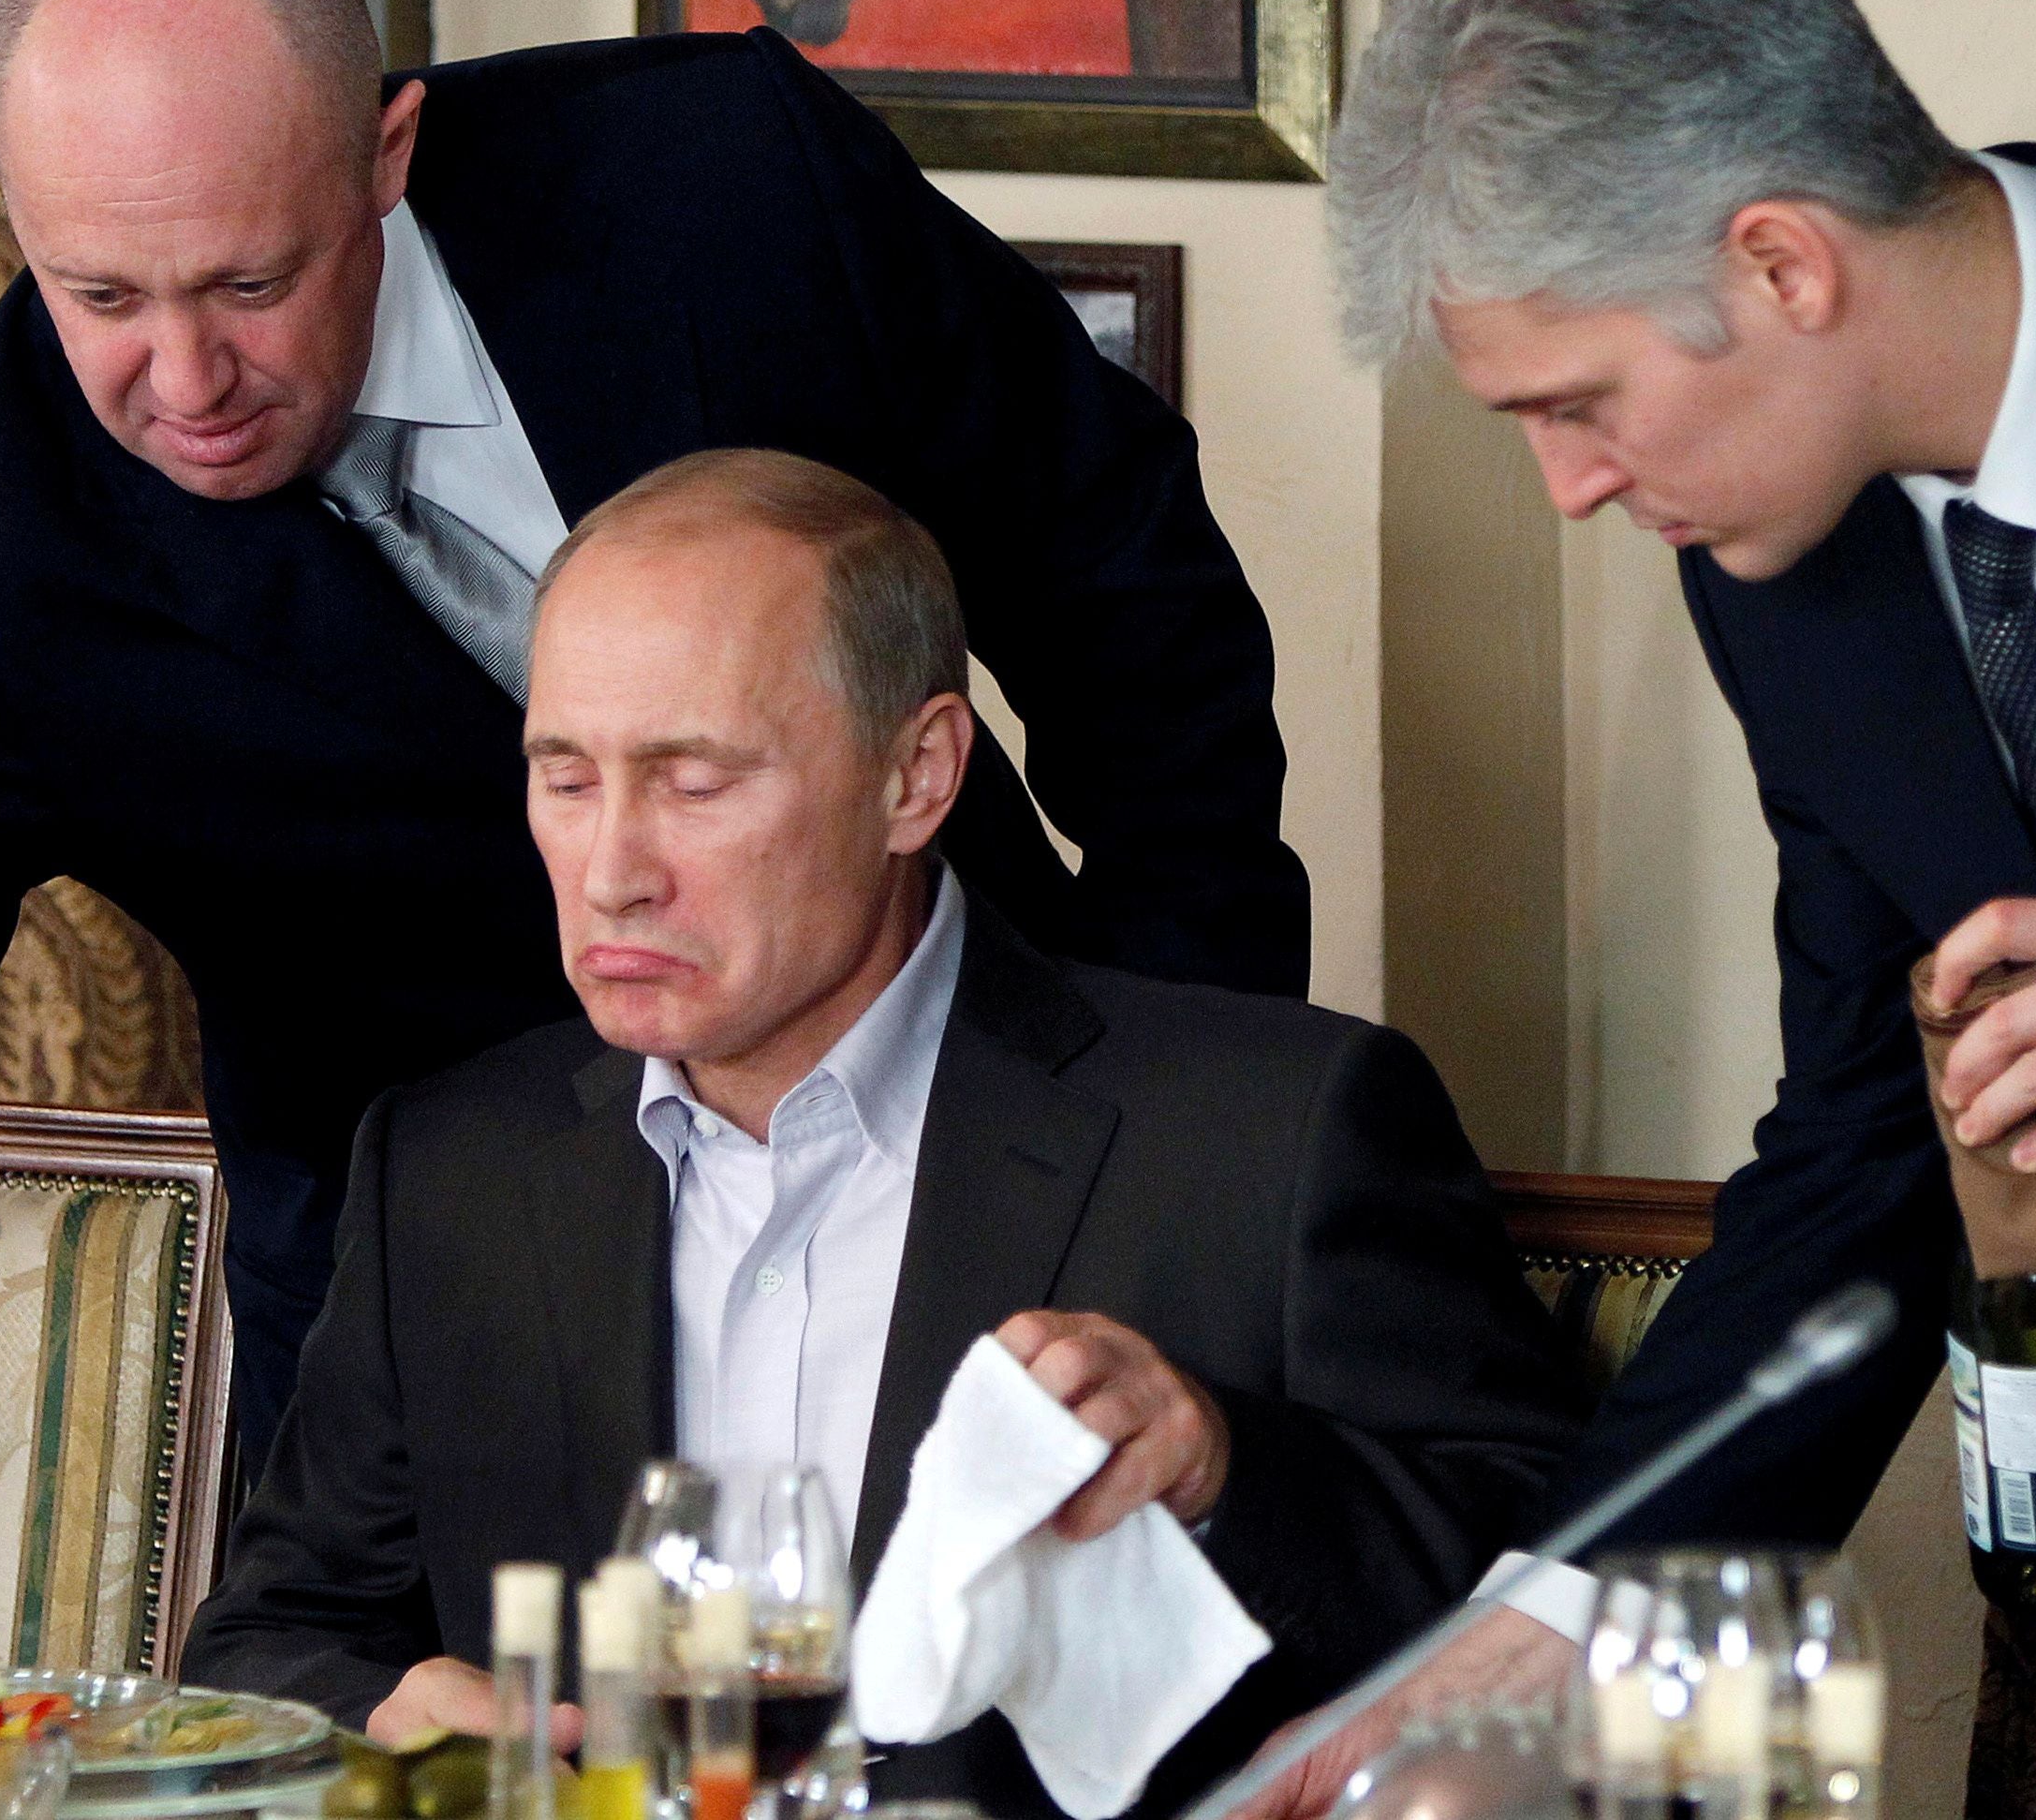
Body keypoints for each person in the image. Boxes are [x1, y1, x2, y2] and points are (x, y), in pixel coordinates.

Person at [0, 0, 1312, 1526]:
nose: (185, 379)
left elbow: (1129, 596)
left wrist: (1174, 1117)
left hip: (985, 1206)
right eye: (98, 292)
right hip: (443, 1372)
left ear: (388, 148)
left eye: (252, 280)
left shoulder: (725, 185)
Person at [1253, 0, 2036, 1801]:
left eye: (1576, 400)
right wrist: (1536, 1622)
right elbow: (1861, 1138)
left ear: (1779, 262)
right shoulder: (1780, 559)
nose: (1567, 490)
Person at [181, 451, 1581, 1820]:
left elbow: (1552, 1568)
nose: (611, 868)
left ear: (917, 775)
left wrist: (1221, 1460)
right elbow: (266, 1640)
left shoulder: (1271, 1126)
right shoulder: (451, 1164)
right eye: (565, 775)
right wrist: (388, 1711)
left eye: (693, 780)